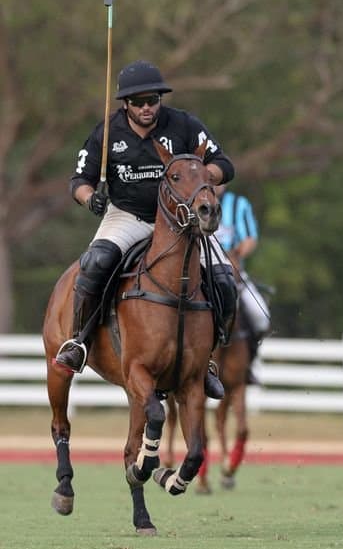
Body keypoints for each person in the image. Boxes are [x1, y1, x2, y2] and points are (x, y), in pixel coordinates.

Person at [53, 60, 237, 398]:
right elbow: (79, 180)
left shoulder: (183, 125)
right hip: (129, 216)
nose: (147, 108)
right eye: (139, 102)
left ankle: (208, 358)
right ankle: (79, 341)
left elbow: (224, 164)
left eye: (153, 100)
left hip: (181, 223)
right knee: (95, 263)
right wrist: (90, 198)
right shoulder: (107, 133)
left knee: (224, 279)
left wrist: (199, 176)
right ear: (126, 104)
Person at [214, 183, 271, 379]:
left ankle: (248, 365)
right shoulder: (193, 202)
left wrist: (236, 254)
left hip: (234, 274)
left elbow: (250, 238)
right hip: (200, 275)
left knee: (261, 317)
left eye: (218, 178)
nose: (215, 183)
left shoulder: (239, 204)